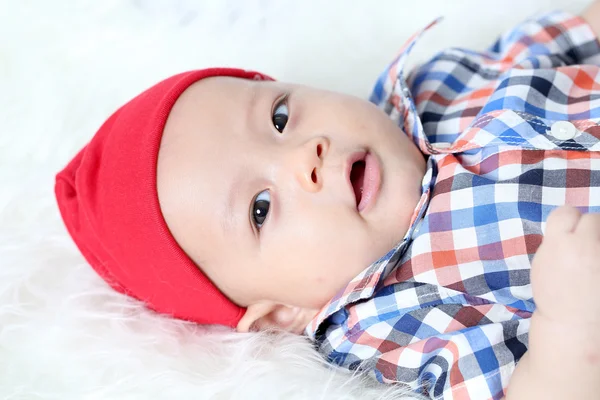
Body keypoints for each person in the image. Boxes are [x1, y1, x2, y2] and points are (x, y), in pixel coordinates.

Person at [54, 4, 600, 399]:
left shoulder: (437, 86)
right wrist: (569, 326)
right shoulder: (391, 316)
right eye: (259, 209)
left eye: (279, 118)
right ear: (284, 313)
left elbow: (575, 32)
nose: (304, 157)